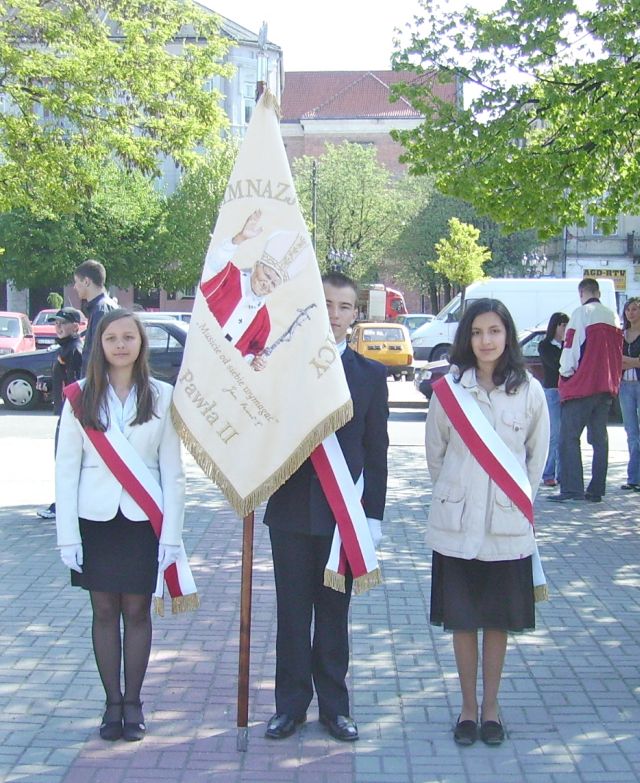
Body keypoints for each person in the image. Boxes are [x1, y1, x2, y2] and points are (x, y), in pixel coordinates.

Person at [262, 271, 389, 742]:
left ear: (356, 315)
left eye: (344, 307)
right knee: (293, 615)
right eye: (327, 306)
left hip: (344, 517)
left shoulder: (371, 375)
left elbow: (377, 452)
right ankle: (290, 707)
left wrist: (372, 515)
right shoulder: (283, 368)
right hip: (291, 513)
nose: (334, 316)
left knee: (334, 617)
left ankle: (335, 708)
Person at [55, 309, 186, 742]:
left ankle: (135, 702)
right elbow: (66, 469)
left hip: (142, 521)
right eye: (112, 338)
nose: (121, 345)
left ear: (141, 344)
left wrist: (172, 535)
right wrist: (66, 535)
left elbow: (173, 471)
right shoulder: (79, 397)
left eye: (130, 337)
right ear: (100, 345)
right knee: (105, 611)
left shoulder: (163, 396)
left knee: (137, 610)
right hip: (95, 521)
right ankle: (112, 703)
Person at [425, 298, 549, 747]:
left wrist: (512, 502)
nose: (486, 340)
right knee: (462, 621)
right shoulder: (449, 391)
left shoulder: (529, 391)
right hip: (456, 526)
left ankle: (492, 709)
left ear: (507, 336)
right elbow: (435, 456)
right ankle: (467, 710)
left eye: (494, 331)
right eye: (477, 332)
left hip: (506, 527)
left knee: (497, 622)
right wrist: (458, 492)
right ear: (467, 338)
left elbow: (536, 460)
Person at [200, 209, 310, 370]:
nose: (267, 284)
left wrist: (255, 362)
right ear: (256, 265)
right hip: (198, 355)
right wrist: (240, 238)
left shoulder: (263, 320)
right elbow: (214, 263)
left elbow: (251, 355)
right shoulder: (229, 276)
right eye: (267, 275)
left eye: (273, 283)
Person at [549, 278, 622, 503]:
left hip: (583, 385)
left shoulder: (581, 314)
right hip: (606, 386)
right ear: (598, 292)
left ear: (581, 293)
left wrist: (566, 373)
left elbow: (571, 347)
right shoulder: (613, 316)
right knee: (599, 439)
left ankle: (572, 489)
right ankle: (596, 489)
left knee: (568, 437)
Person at [37, 308, 84, 520]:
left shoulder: (75, 350)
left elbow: (78, 383)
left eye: (63, 323)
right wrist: (49, 384)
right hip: (64, 412)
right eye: (56, 323)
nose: (58, 327)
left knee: (66, 460)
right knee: (63, 459)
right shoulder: (65, 348)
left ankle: (64, 505)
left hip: (72, 414)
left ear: (76, 326)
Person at [537, 312, 569, 487]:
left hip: (569, 391)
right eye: (563, 325)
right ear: (555, 326)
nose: (565, 329)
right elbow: (557, 366)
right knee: (554, 434)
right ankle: (548, 472)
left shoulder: (569, 345)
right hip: (553, 391)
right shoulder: (545, 345)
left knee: (566, 434)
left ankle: (563, 474)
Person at [73, 259, 117, 376]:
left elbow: (98, 353)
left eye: (76, 282)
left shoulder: (100, 310)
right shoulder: (103, 306)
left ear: (86, 281)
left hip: (98, 383)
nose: (74, 287)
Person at [619, 297, 640, 490]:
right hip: (625, 386)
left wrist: (629, 360)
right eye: (628, 310)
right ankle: (633, 478)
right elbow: (617, 361)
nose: (631, 313)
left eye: (634, 309)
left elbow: (626, 361)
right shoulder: (621, 335)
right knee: (631, 432)